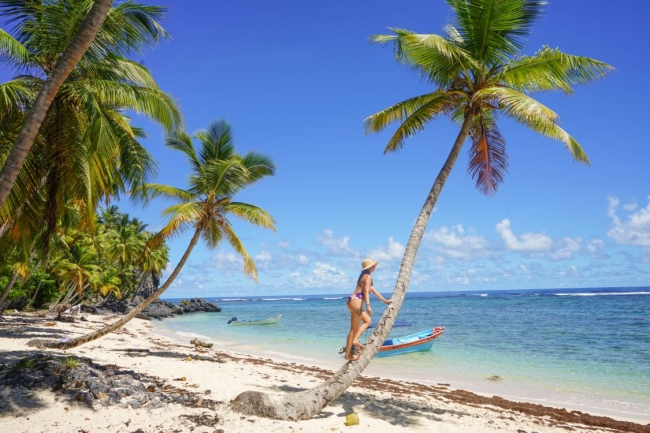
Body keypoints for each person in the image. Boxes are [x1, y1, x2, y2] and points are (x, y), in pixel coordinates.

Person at [344, 258, 392, 361]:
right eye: (372, 266)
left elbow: (373, 291)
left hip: (351, 301)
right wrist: (368, 305)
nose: (374, 267)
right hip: (357, 301)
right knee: (363, 324)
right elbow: (366, 291)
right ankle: (352, 346)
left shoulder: (363, 276)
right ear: (369, 267)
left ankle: (351, 348)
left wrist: (385, 301)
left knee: (359, 326)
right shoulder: (368, 276)